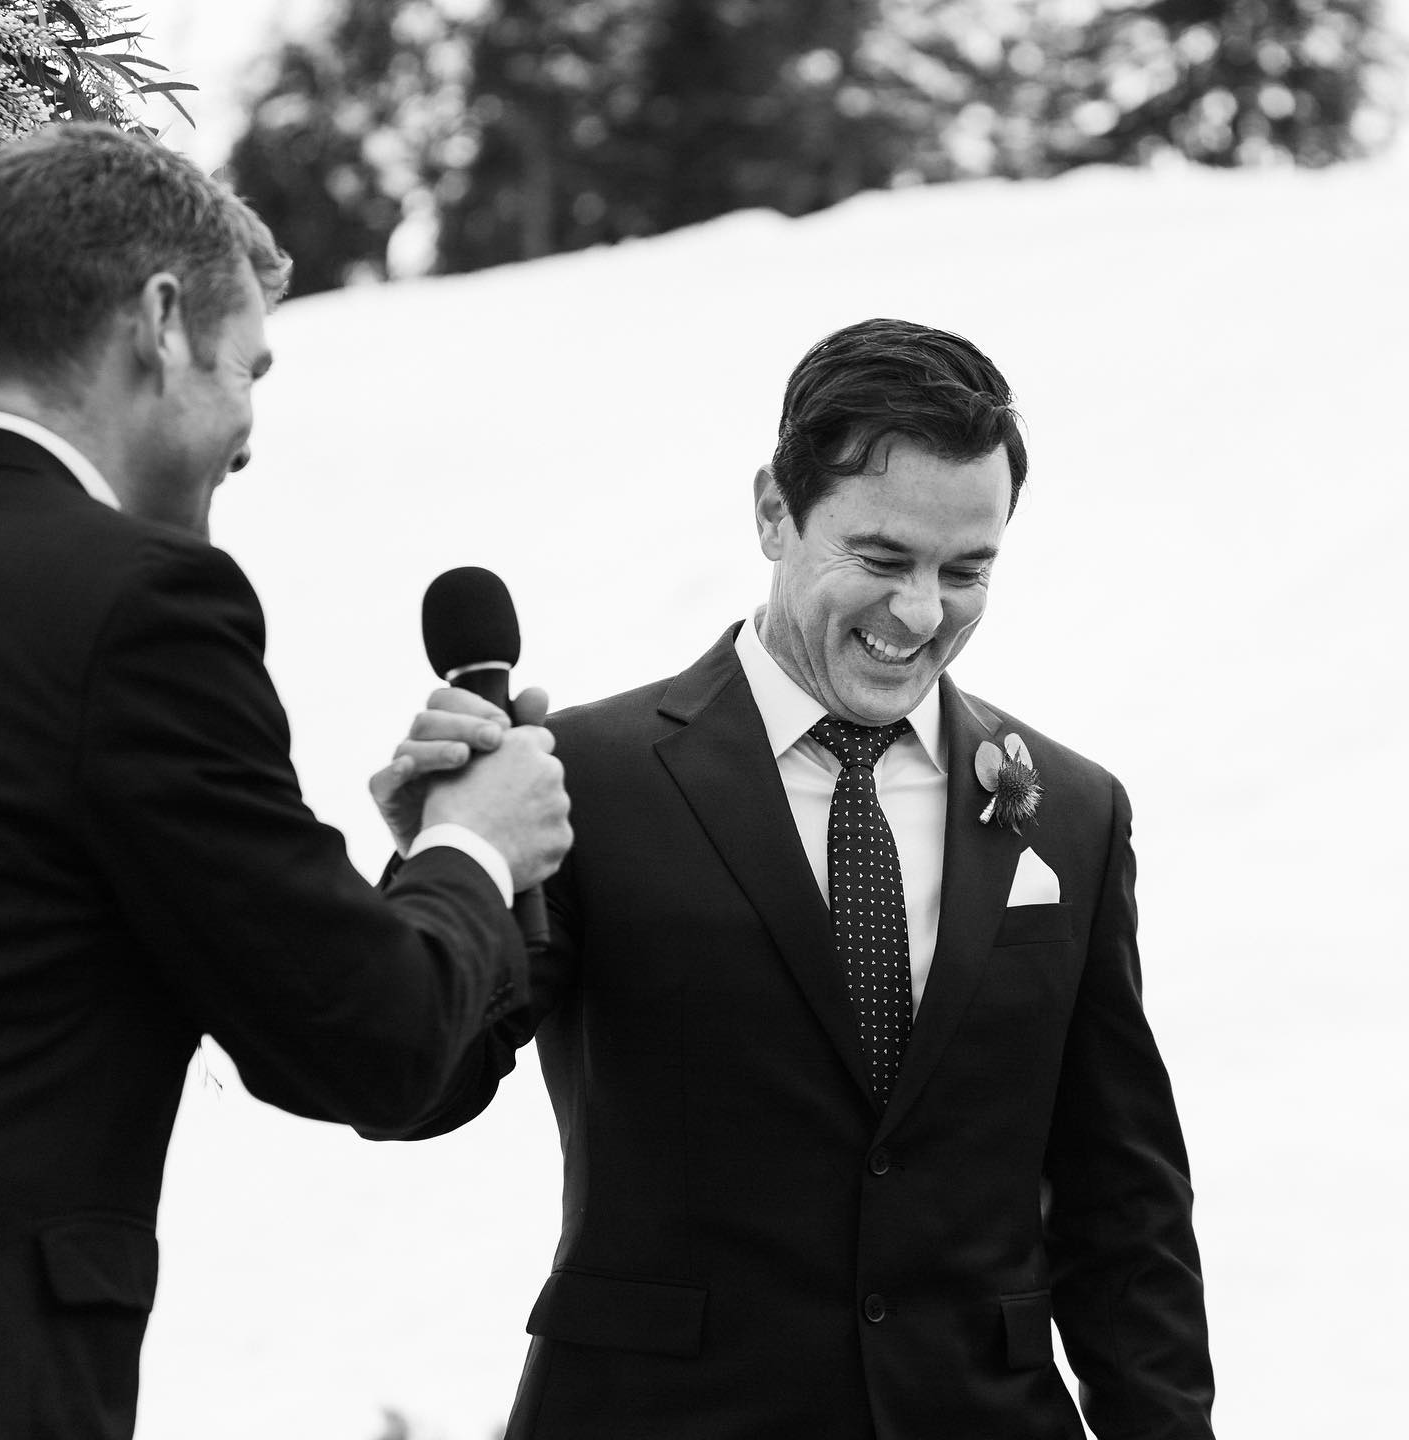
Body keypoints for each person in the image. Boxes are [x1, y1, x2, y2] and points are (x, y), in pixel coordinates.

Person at [401, 320, 1216, 1438]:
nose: (922, 613)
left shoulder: (1072, 810)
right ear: (773, 514)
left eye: (965, 569)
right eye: (880, 560)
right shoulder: (581, 779)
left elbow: (1123, 1205)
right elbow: (418, 1084)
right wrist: (452, 854)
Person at [0, 122, 571, 1438]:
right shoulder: (132, 607)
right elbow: (362, 1040)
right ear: (163, 321)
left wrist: (409, 888)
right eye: (250, 370)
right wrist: (472, 852)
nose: (247, 438)